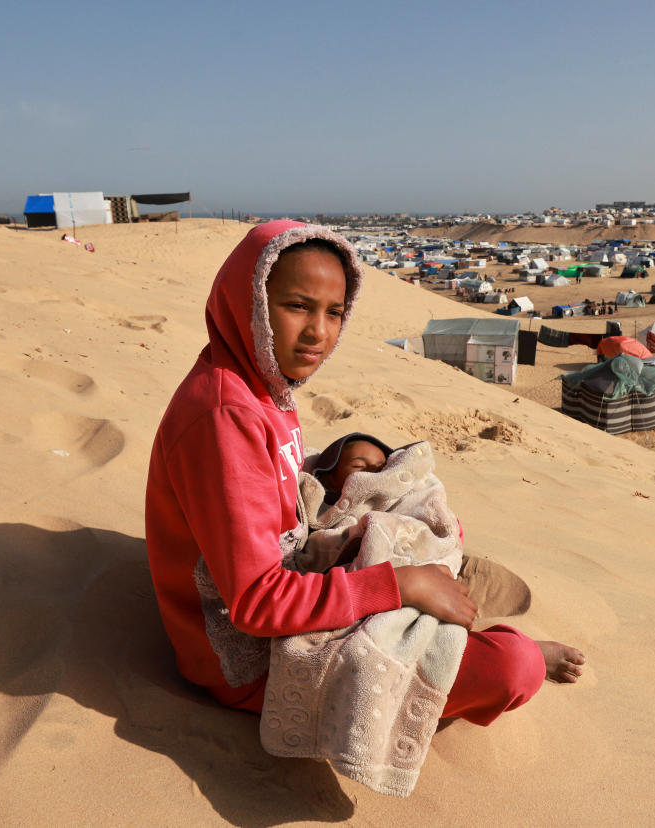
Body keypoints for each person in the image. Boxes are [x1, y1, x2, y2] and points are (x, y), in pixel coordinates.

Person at [145, 221, 583, 729]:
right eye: (297, 306)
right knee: (513, 669)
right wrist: (401, 585)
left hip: (294, 572)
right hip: (248, 661)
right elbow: (257, 605)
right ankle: (473, 626)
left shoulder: (254, 380)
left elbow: (257, 484)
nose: (318, 333)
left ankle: (440, 587)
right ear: (251, 303)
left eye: (333, 313)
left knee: (400, 483)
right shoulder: (225, 415)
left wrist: (334, 462)